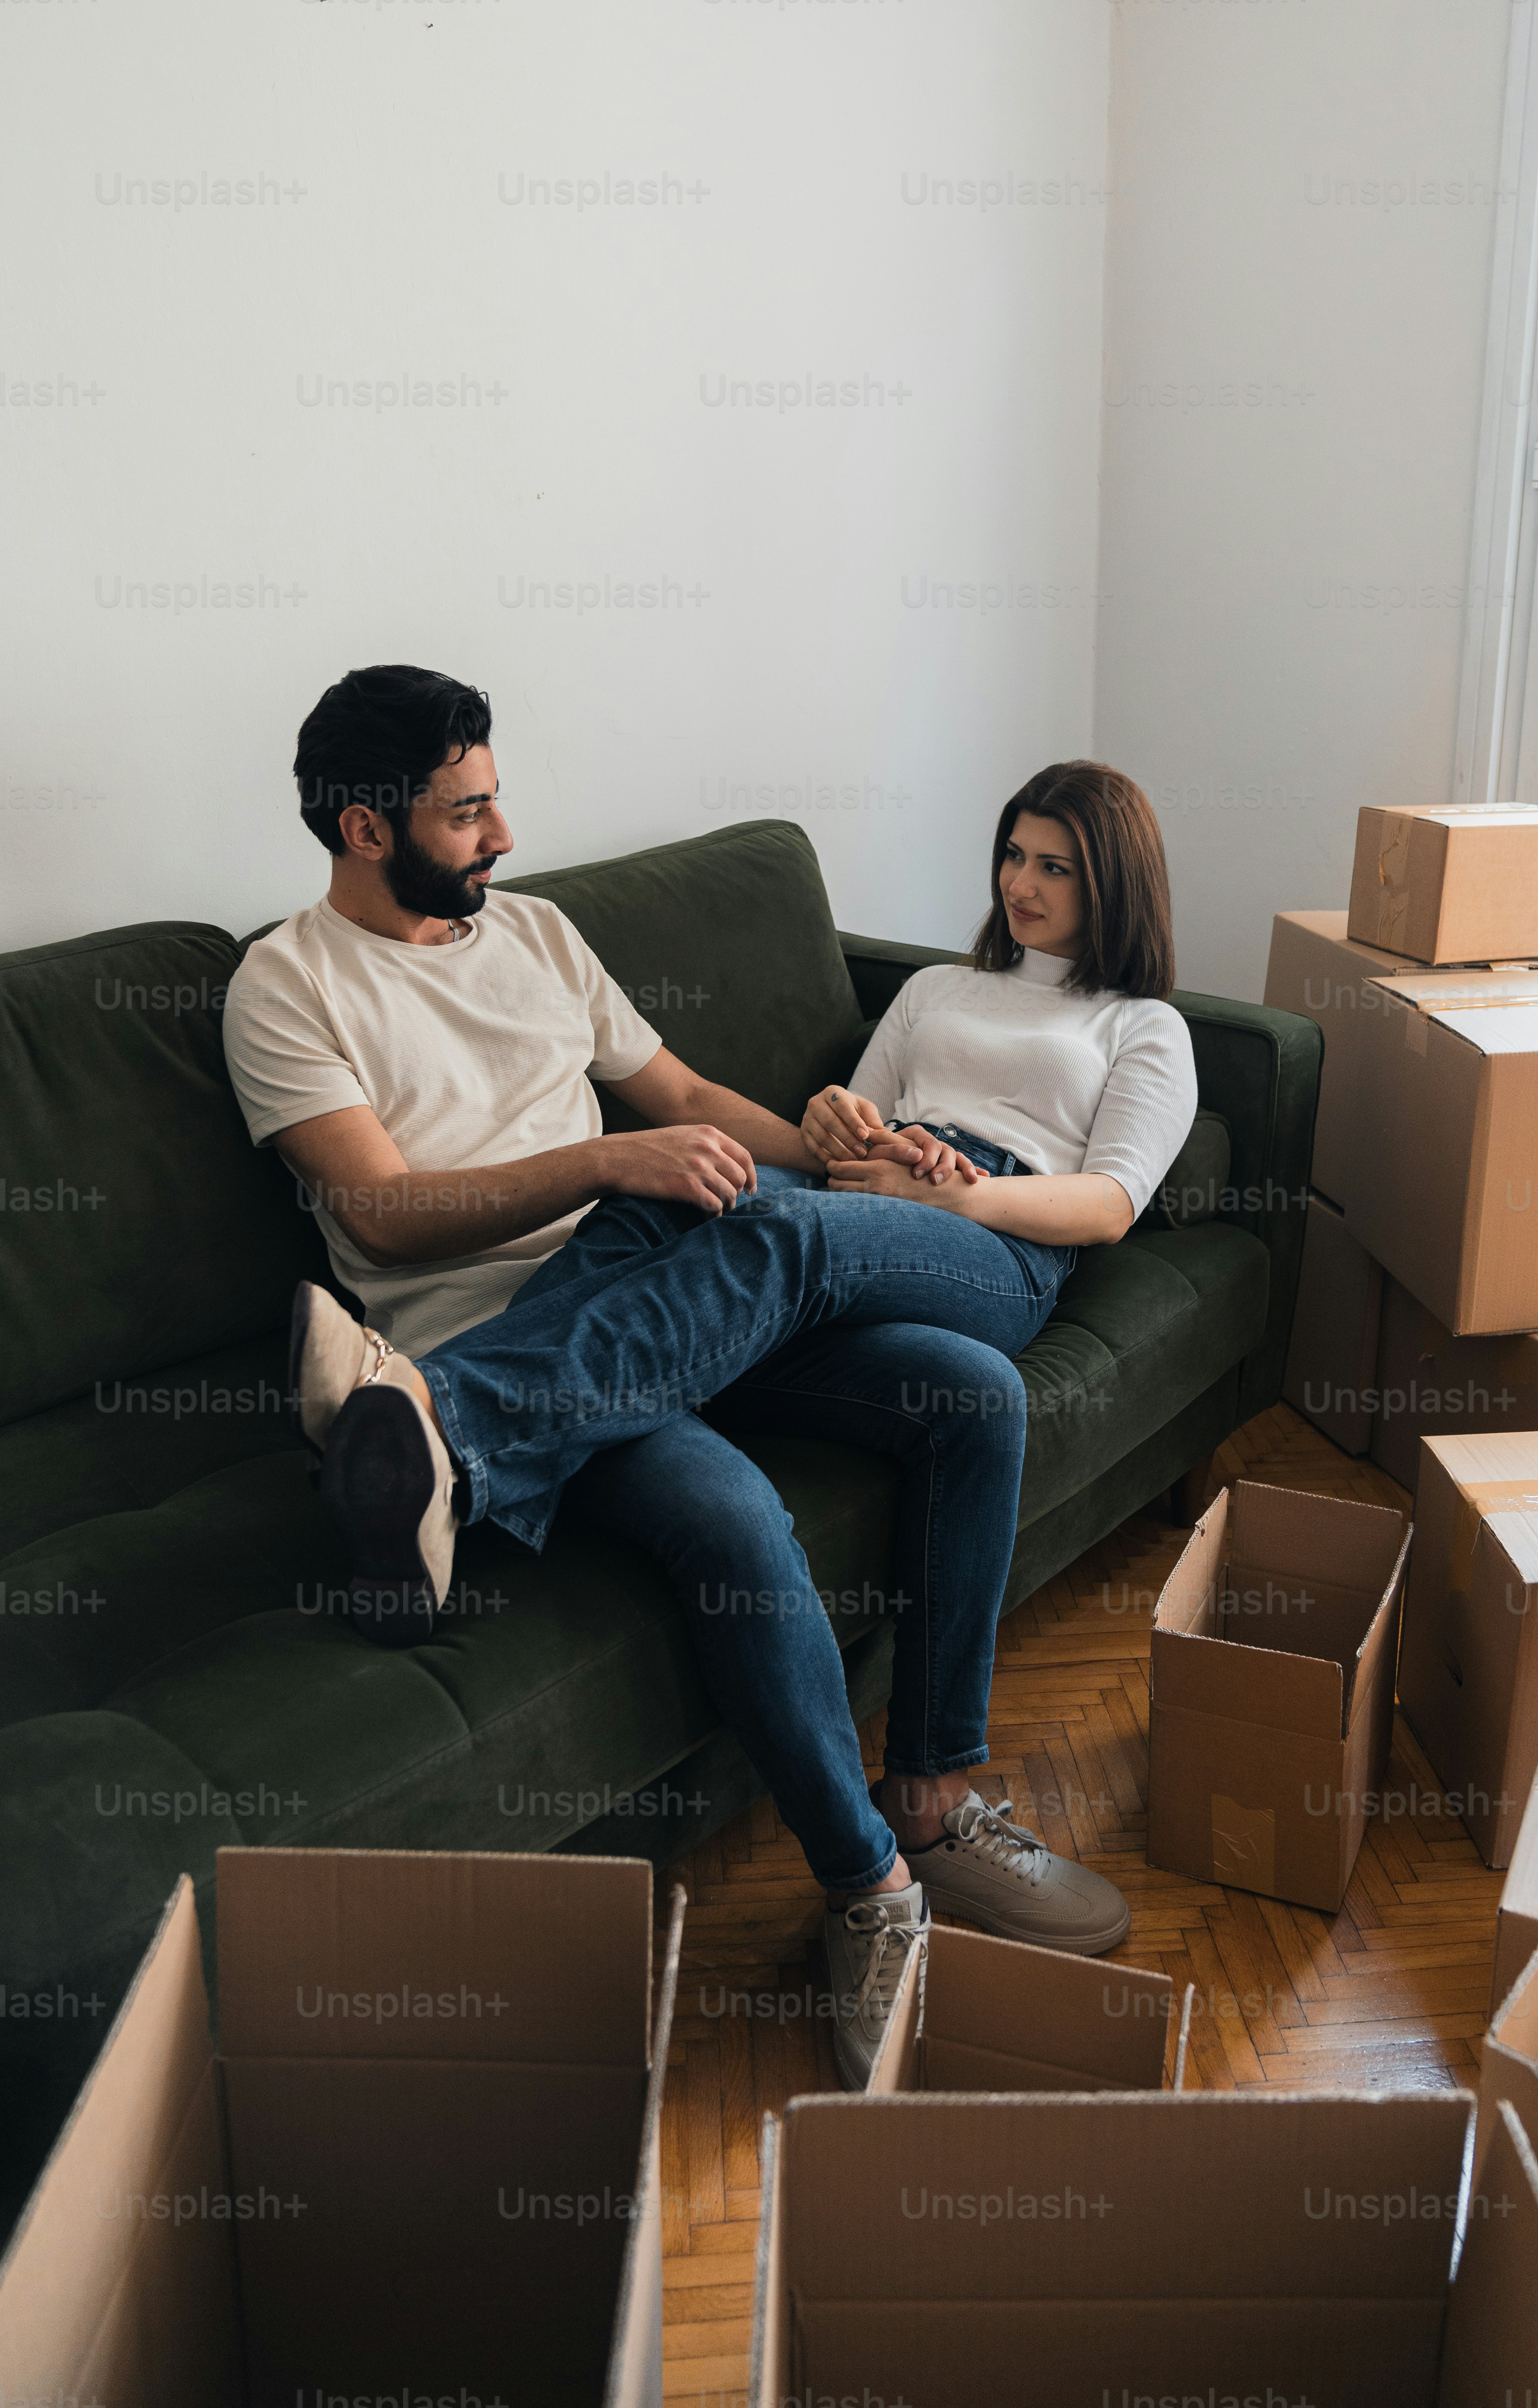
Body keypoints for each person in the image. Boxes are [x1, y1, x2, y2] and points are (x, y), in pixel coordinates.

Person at [224, 668, 1196, 2081]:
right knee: (735, 1518)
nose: (502, 834)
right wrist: (618, 1159)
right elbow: (378, 1213)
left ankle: (443, 1442)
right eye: (470, 810)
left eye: (495, 800)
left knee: (968, 1394)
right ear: (367, 829)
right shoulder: (284, 982)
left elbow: (677, 1100)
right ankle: (871, 1884)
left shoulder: (540, 933)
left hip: (651, 1271)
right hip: (490, 1302)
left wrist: (832, 1150)